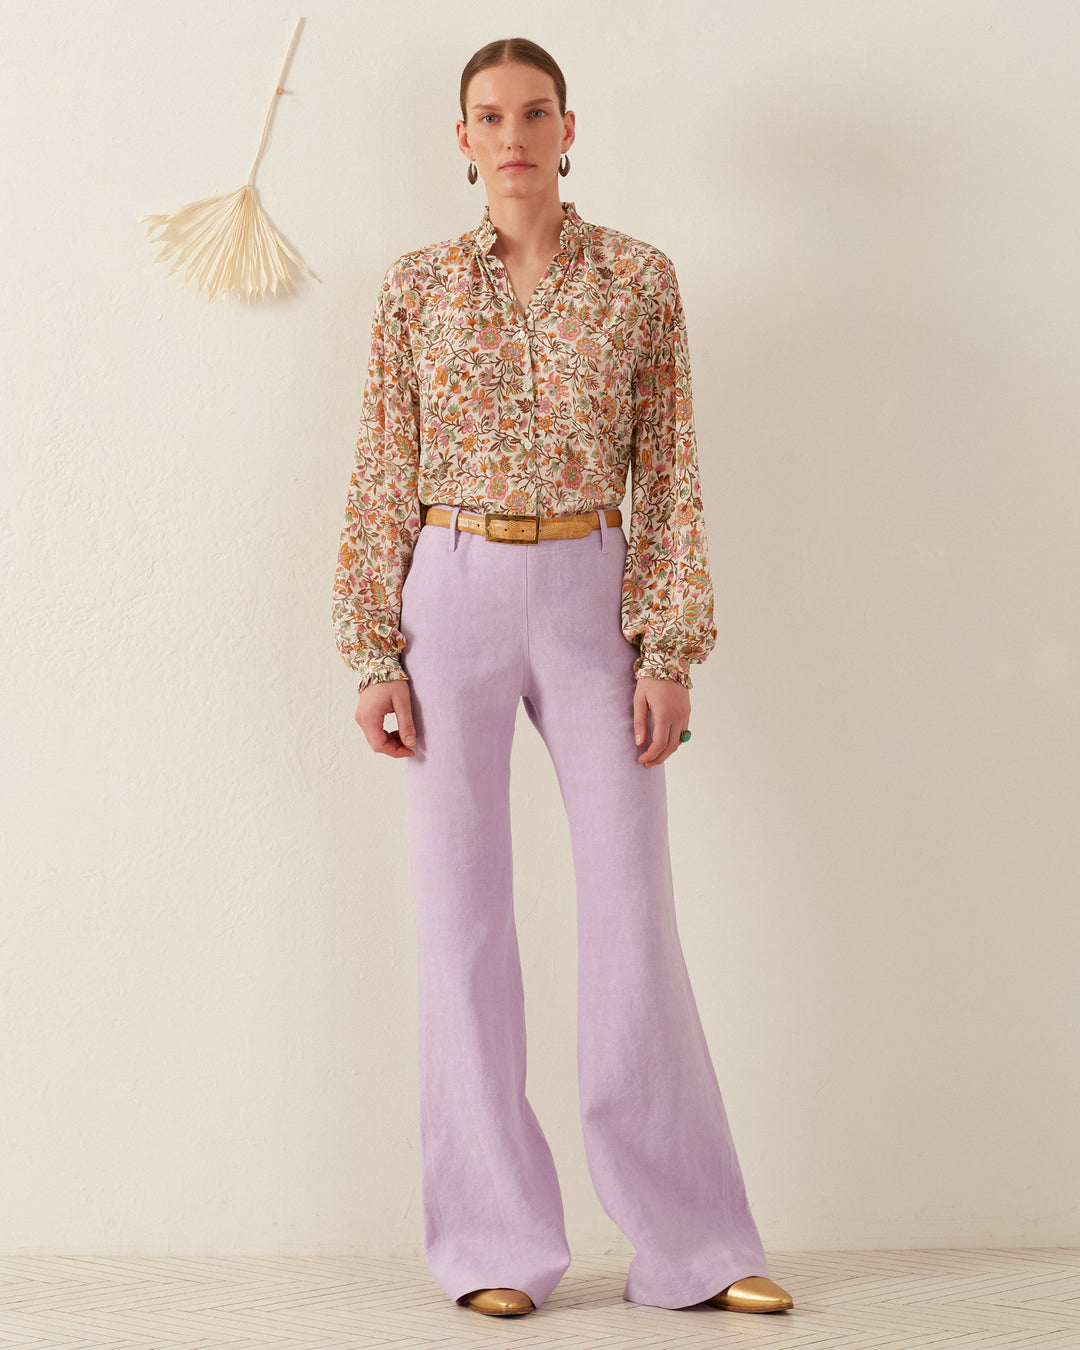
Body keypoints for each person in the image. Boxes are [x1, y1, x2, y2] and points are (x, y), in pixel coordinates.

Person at [332, 36, 794, 1320]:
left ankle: (694, 1244)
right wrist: (373, 645)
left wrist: (671, 648)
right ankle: (491, 1242)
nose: (514, 133)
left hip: (594, 588)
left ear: (570, 126)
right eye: (489, 115)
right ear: (462, 139)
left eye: (535, 111)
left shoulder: (640, 280)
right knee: (463, 925)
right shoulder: (414, 290)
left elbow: (674, 475)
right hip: (452, 588)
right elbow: (382, 467)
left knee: (631, 916)